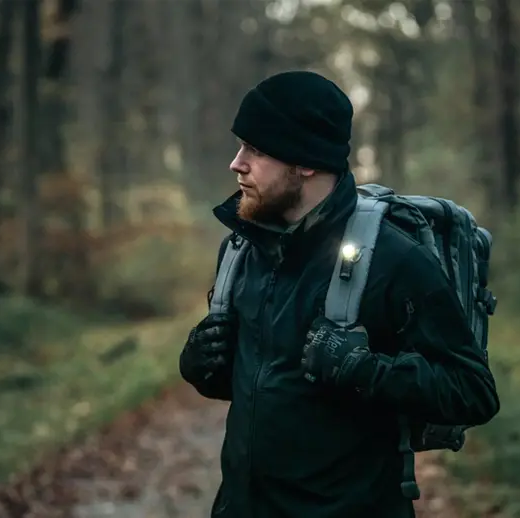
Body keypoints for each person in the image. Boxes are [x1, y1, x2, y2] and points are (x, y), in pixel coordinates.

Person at [178, 70, 500, 518]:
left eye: (256, 149)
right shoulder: (243, 249)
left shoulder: (393, 258)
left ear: (305, 161)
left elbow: (473, 391)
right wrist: (203, 369)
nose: (237, 163)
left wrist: (366, 370)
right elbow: (267, 383)